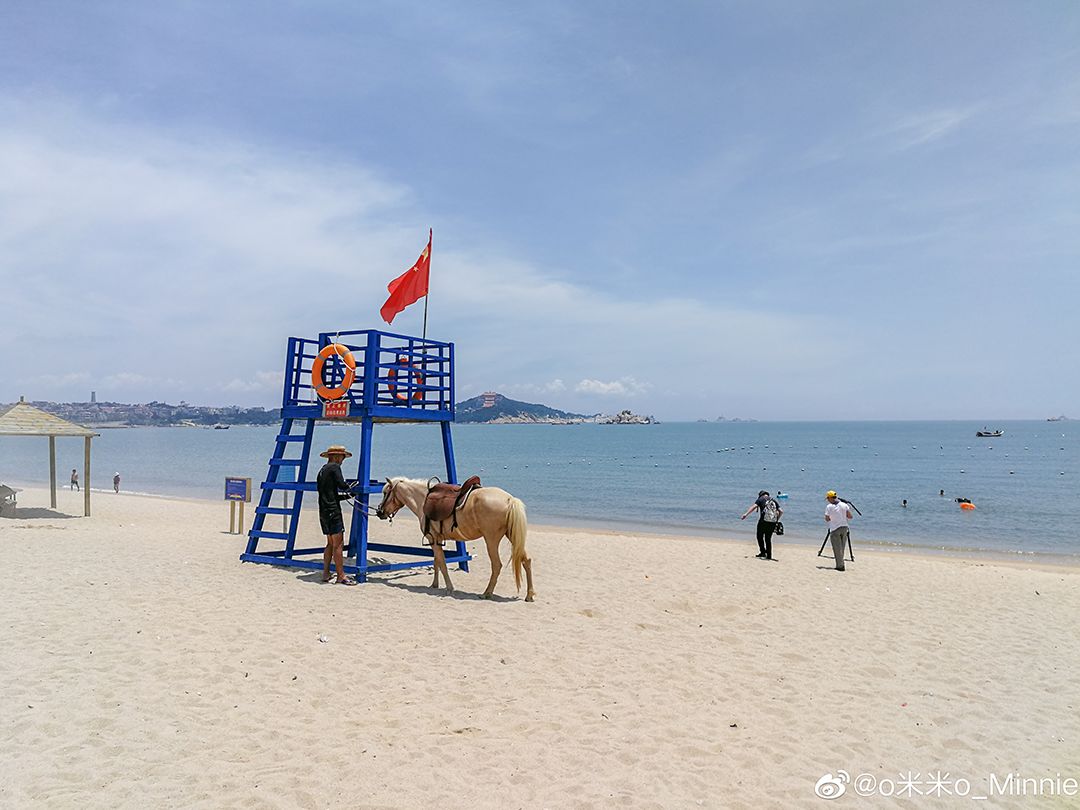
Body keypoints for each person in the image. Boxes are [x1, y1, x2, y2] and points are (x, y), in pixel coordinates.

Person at [317, 445, 357, 585]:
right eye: (342, 457)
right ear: (335, 456)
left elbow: (329, 494)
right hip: (333, 511)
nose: (342, 460)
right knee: (338, 544)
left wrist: (348, 496)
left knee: (329, 543)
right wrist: (353, 486)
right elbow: (342, 485)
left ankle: (326, 573)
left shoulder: (322, 470)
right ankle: (341, 576)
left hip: (323, 510)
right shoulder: (334, 467)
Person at [741, 489, 782, 560]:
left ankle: (763, 552)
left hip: (763, 521)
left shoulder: (761, 499)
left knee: (759, 536)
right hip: (772, 522)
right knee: (768, 539)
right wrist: (777, 520)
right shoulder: (773, 500)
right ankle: (769, 555)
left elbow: (753, 507)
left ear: (760, 495)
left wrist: (746, 514)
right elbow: (781, 511)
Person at [824, 490, 853, 571]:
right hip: (844, 527)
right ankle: (840, 563)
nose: (828, 500)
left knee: (837, 548)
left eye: (828, 498)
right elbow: (850, 516)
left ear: (830, 498)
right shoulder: (844, 505)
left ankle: (840, 566)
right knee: (842, 547)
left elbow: (826, 518)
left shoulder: (829, 507)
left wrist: (833, 518)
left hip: (834, 528)